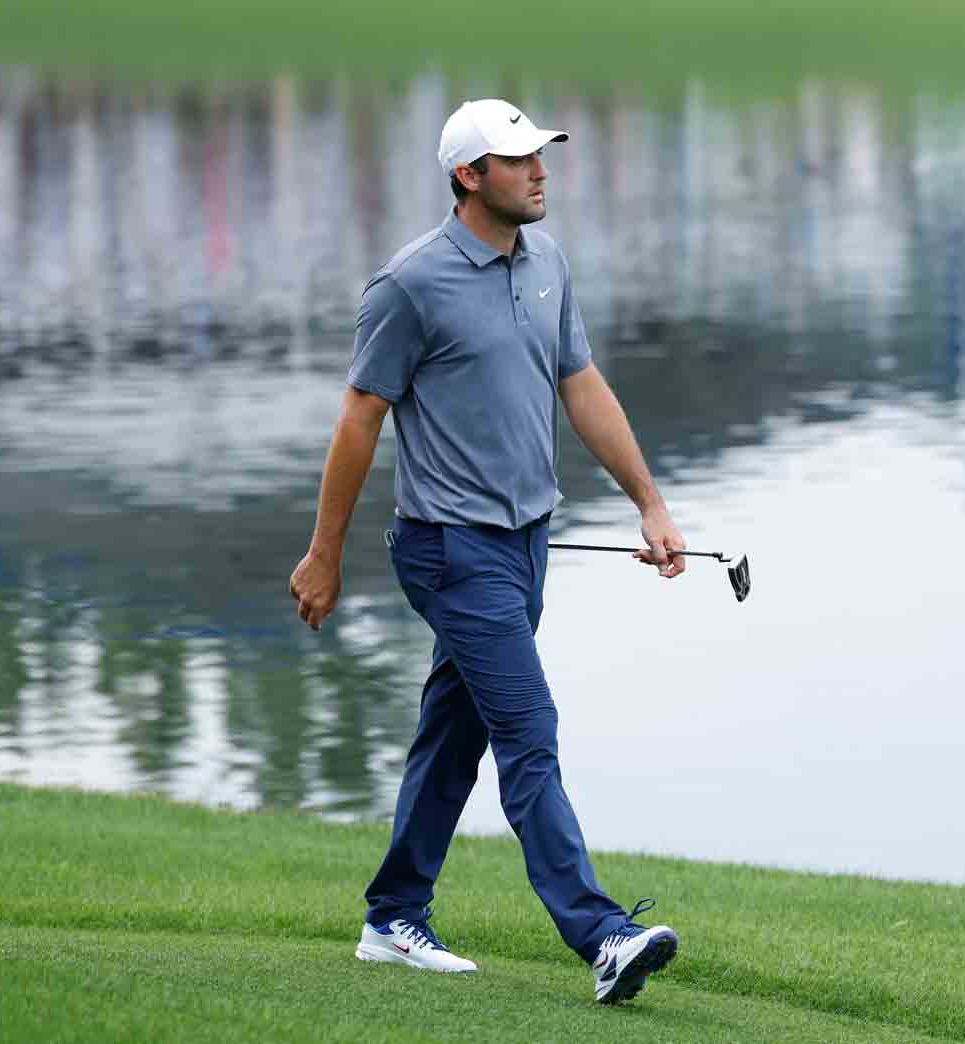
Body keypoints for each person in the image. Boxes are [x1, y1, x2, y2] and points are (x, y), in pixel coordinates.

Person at [287, 98, 684, 1006]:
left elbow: (581, 387)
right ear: (470, 176)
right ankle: (603, 933)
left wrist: (650, 504)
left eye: (541, 154)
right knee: (528, 731)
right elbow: (358, 421)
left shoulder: (546, 262)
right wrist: (324, 553)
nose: (541, 170)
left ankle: (393, 915)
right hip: (447, 549)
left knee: (453, 733)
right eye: (518, 159)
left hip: (527, 543)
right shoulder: (409, 285)